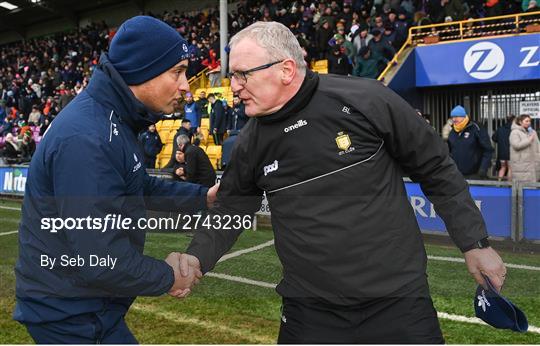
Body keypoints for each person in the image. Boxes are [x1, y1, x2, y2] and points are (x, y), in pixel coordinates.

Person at [182, 21, 506, 344]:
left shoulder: (367, 100)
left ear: (286, 69)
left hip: (398, 301)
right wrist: (197, 258)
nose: (234, 86)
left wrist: (475, 243)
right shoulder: (249, 143)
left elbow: (436, 168)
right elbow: (232, 206)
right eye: (232, 76)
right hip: (308, 311)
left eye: (242, 74)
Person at [13, 16, 217, 344]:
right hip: (69, 314)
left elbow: (140, 187)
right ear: (142, 71)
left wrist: (203, 198)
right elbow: (98, 256)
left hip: (86, 306)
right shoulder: (88, 137)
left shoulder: (114, 121)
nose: (186, 86)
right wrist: (169, 277)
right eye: (177, 71)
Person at [447, 105, 493, 179]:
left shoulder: (476, 128)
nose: (454, 119)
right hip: (456, 174)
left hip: (474, 174)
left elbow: (488, 150)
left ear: (463, 116)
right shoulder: (452, 131)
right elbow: (448, 152)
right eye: (452, 117)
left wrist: (483, 169)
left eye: (456, 116)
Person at [509, 114, 540, 182]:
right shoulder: (515, 132)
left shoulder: (533, 132)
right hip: (521, 165)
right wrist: (529, 140)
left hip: (533, 163)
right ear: (520, 122)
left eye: (530, 121)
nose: (529, 123)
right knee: (523, 187)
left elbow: (538, 145)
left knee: (533, 185)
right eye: (526, 121)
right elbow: (516, 145)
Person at [492, 115, 514, 181]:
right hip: (511, 153)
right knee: (510, 168)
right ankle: (509, 185)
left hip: (502, 153)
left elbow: (494, 138)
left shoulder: (500, 129)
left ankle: (499, 184)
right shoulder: (514, 130)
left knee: (503, 167)